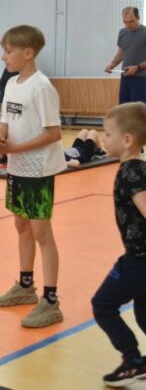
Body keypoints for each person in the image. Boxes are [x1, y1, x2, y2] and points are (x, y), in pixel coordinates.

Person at [0, 25, 66, 328]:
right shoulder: (11, 84)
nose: (4, 57)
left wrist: (17, 148)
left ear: (28, 53)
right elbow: (6, 120)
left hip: (38, 170)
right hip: (17, 168)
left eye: (8, 51)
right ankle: (25, 286)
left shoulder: (42, 87)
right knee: (21, 226)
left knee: (42, 233)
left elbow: (54, 133)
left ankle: (51, 300)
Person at [91, 102, 146, 387]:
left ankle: (133, 361)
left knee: (103, 304)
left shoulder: (130, 172)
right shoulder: (138, 168)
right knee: (143, 313)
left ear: (127, 140)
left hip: (139, 260)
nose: (104, 138)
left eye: (108, 133)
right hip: (139, 257)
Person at [105, 7, 146, 104]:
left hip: (142, 79)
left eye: (131, 21)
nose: (128, 25)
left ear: (138, 18)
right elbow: (120, 53)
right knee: (124, 109)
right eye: (125, 22)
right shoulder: (122, 32)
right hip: (125, 78)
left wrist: (137, 67)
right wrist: (111, 65)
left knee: (138, 110)